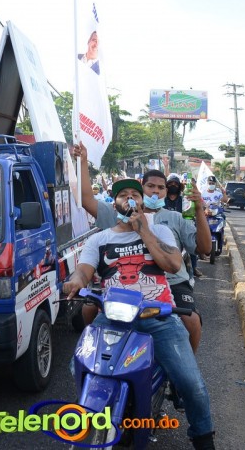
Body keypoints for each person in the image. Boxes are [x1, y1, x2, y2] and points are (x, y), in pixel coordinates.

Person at [63, 179, 215, 450]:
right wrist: (76, 281)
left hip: (158, 316)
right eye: (123, 194)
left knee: (191, 383)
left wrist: (143, 230)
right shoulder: (100, 239)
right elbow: (84, 270)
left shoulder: (160, 231)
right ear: (114, 204)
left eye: (135, 193)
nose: (130, 198)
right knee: (79, 366)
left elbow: (173, 263)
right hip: (112, 318)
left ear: (142, 203)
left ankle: (203, 437)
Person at [73, 143, 211, 353]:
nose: (155, 191)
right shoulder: (119, 214)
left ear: (166, 191)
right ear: (141, 189)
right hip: (123, 284)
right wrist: (83, 161)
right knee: (89, 309)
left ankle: (183, 363)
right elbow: (86, 199)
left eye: (161, 188)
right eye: (150, 187)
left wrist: (199, 209)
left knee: (191, 321)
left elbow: (205, 249)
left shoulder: (174, 218)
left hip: (173, 282)